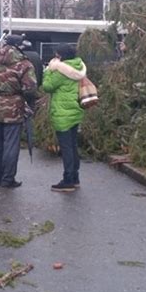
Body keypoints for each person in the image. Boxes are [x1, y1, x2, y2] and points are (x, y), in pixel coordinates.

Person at [0, 35, 37, 188]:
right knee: (11, 145)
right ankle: (7, 179)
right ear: (19, 46)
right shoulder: (24, 63)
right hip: (13, 108)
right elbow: (30, 88)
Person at [42, 44, 86, 192]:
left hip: (63, 113)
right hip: (75, 111)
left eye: (57, 55)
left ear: (61, 56)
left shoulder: (61, 71)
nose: (55, 57)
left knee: (66, 147)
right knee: (73, 146)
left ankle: (68, 180)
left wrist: (48, 71)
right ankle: (75, 177)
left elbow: (47, 86)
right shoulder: (79, 67)